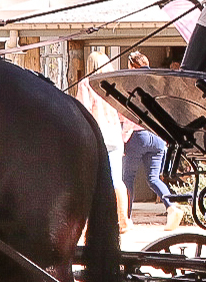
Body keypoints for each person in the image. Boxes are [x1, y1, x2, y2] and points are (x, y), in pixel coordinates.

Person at [119, 51, 184, 230]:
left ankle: (126, 219)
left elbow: (129, 113)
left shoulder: (132, 83)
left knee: (127, 179)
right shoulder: (157, 83)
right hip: (158, 138)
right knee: (153, 178)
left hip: (138, 136)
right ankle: (172, 207)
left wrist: (123, 138)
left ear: (132, 65)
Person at [73, 72, 130, 227]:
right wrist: (125, 133)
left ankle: (93, 222)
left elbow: (82, 110)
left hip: (98, 136)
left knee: (93, 179)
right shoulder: (115, 83)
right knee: (117, 179)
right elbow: (126, 113)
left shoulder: (87, 83)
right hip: (115, 136)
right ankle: (123, 219)